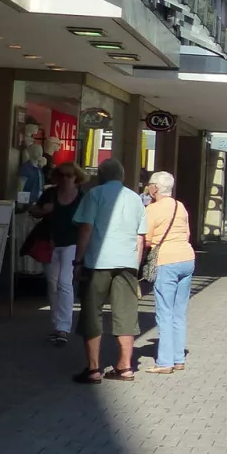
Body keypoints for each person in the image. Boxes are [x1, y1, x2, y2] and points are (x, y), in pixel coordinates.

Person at [71, 157, 149, 383]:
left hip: (98, 262)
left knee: (92, 313)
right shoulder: (135, 198)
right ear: (122, 176)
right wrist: (135, 264)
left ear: (101, 175)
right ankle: (125, 366)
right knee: (126, 312)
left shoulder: (94, 195)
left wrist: (77, 261)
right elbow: (140, 238)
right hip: (127, 263)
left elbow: (86, 229)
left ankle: (93, 369)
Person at [139, 172, 194, 375]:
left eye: (149, 186)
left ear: (155, 188)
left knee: (164, 312)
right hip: (187, 259)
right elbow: (187, 234)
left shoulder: (152, 209)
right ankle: (178, 358)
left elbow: (146, 239)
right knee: (179, 312)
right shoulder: (181, 206)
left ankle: (164, 362)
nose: (148, 189)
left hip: (166, 261)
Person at [29, 163, 85, 345]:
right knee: (52, 283)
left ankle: (64, 327)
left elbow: (87, 224)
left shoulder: (82, 197)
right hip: (50, 243)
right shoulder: (50, 193)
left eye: (69, 175)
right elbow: (34, 211)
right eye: (61, 175)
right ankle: (56, 324)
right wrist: (43, 210)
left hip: (71, 244)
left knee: (64, 282)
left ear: (76, 177)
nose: (65, 178)